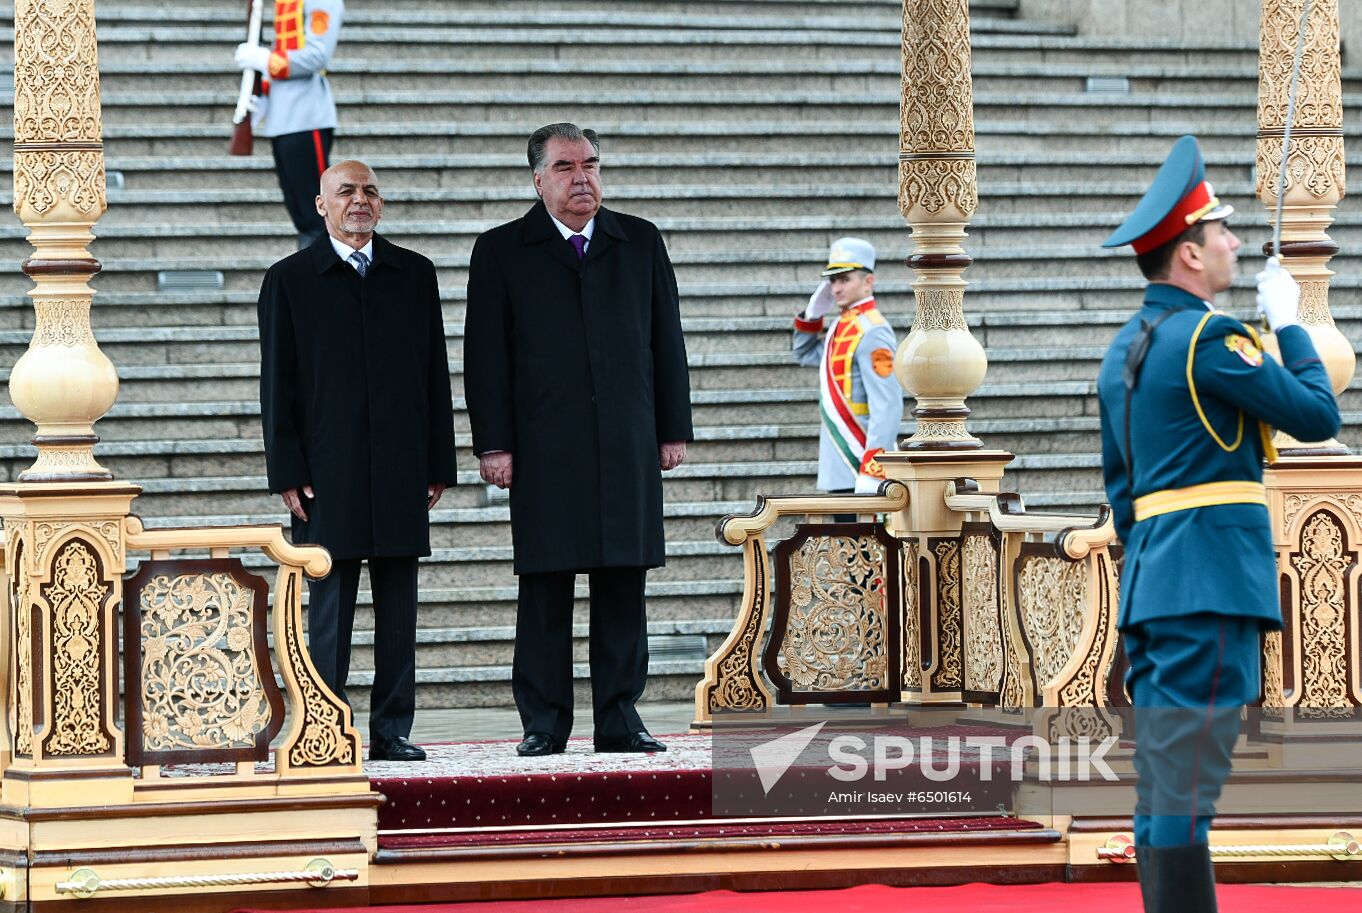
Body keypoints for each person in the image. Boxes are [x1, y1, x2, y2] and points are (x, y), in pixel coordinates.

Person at [1096, 135, 1340, 912]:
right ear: (1190, 258)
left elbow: (1124, 493)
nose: (1234, 243)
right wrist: (1290, 323)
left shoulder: (1123, 351)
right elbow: (1316, 412)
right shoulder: (1211, 339)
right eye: (1220, 233)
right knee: (1188, 784)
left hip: (1157, 586)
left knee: (1168, 782)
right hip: (1207, 591)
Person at [463, 123, 693, 757]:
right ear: (539, 180)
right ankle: (544, 722)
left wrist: (672, 428)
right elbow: (486, 360)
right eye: (565, 167)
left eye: (590, 164)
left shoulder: (638, 242)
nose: (582, 177)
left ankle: (620, 717)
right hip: (544, 448)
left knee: (624, 583)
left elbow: (665, 341)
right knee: (545, 588)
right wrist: (494, 445)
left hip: (626, 441)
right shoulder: (502, 251)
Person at [257, 159, 457, 762]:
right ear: (321, 205)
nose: (360, 200)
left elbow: (435, 375)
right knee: (330, 607)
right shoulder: (290, 280)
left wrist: (437, 462)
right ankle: (324, 726)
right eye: (346, 191)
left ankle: (393, 729)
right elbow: (278, 383)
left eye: (370, 191)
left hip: (400, 466)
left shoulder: (413, 274)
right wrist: (287, 470)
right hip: (327, 471)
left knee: (399, 609)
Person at [792, 238, 903, 500]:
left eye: (845, 279)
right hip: (839, 457)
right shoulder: (840, 326)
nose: (836, 288)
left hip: (860, 456)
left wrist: (873, 468)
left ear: (868, 282)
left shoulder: (873, 330)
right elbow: (805, 353)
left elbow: (887, 404)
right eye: (832, 280)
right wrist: (812, 315)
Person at [235, 0, 344, 248]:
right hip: (281, 119)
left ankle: (329, 282)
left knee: (319, 217)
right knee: (304, 219)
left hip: (306, 117)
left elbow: (316, 56)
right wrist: (262, 95)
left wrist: (267, 60)